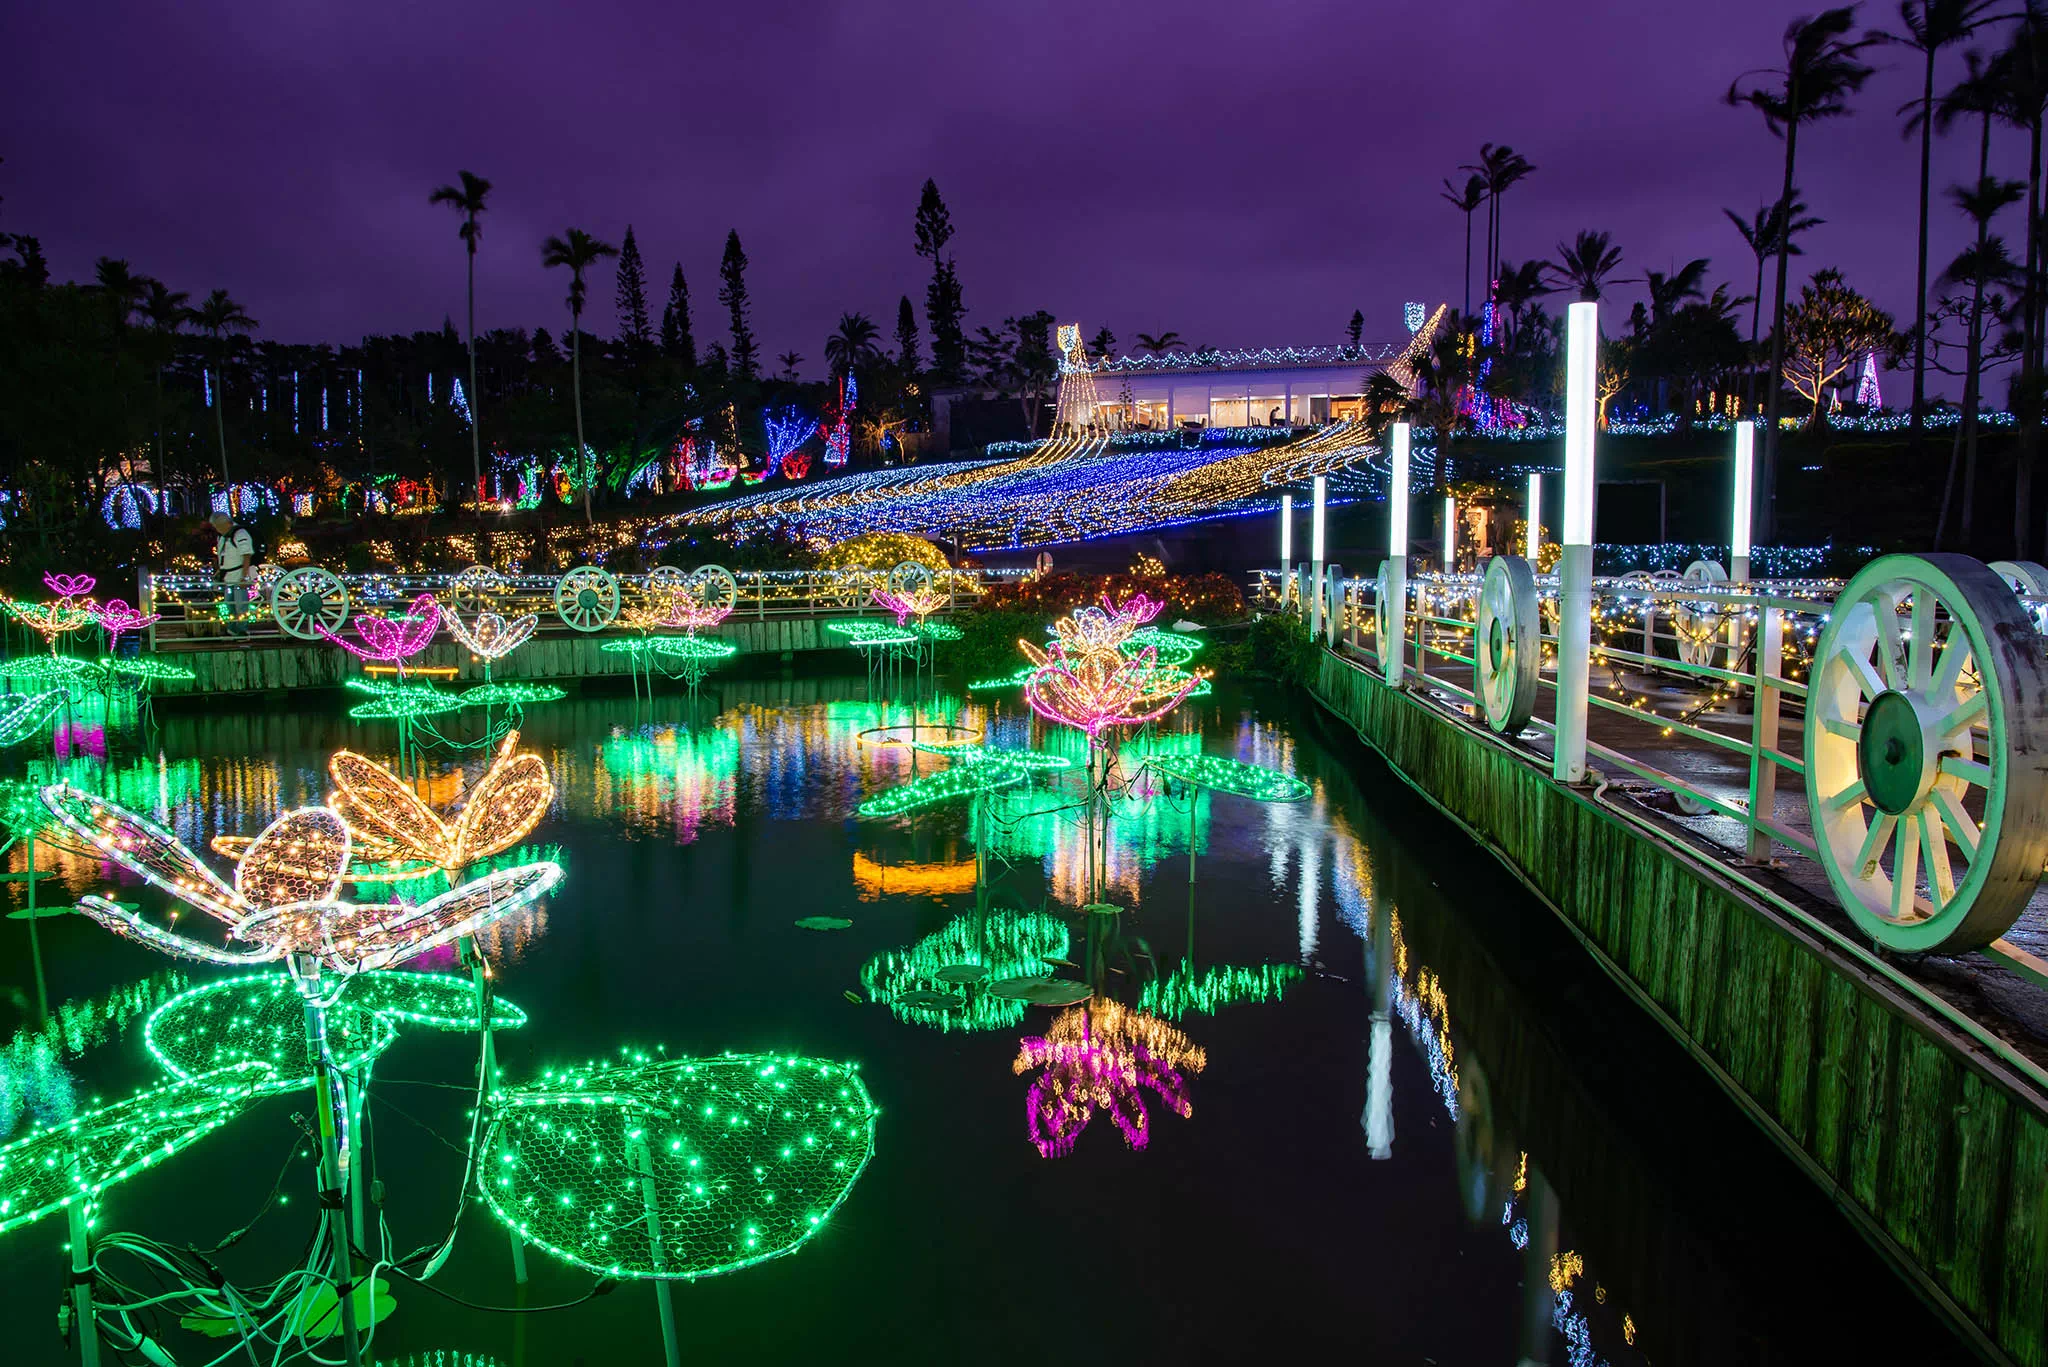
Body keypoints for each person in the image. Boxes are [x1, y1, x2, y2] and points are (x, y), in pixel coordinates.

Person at [211, 512, 255, 640]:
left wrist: (244, 577)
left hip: (238, 576)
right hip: (227, 577)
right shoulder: (223, 536)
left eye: (218, 526)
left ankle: (242, 630)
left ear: (226, 523)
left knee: (240, 605)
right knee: (229, 605)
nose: (217, 529)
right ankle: (232, 629)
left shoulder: (240, 534)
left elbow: (247, 555)